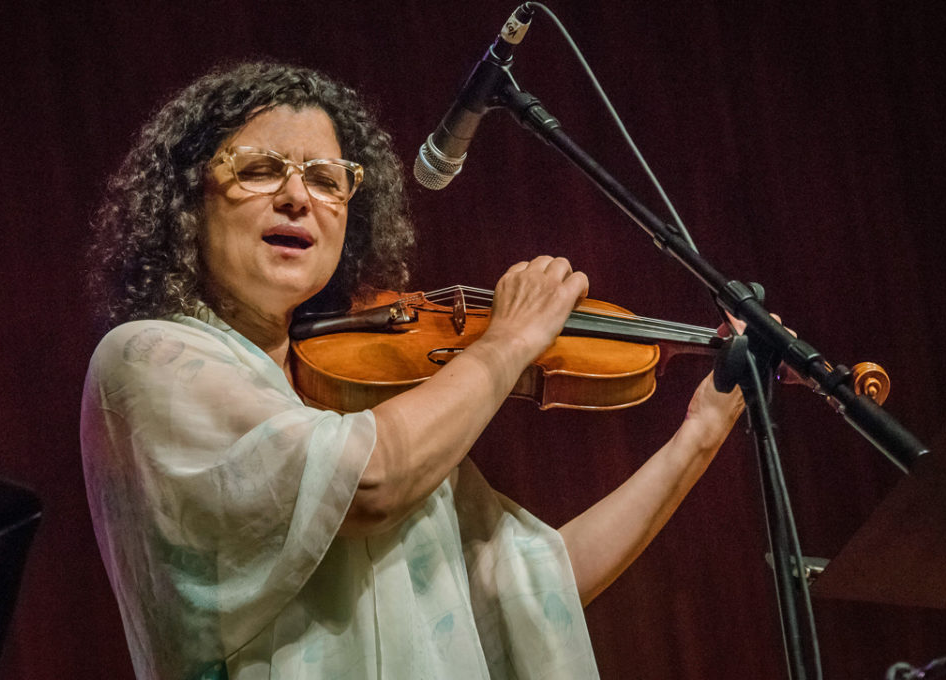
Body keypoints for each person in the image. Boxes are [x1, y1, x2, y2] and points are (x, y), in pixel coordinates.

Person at [81, 61, 745, 680]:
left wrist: (700, 435)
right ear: (188, 198)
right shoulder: (148, 359)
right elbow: (367, 483)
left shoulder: (356, 398)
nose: (296, 197)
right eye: (259, 168)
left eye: (325, 177)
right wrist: (505, 342)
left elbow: (535, 591)